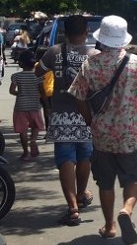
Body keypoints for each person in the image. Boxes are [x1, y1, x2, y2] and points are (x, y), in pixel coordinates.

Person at [70, 15, 137, 243]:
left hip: (101, 135)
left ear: (102, 38)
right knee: (133, 177)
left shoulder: (90, 64)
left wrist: (89, 120)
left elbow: (78, 96)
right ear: (123, 39)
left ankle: (109, 226)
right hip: (129, 134)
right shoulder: (136, 63)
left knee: (105, 182)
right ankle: (126, 210)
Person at [35, 15, 99, 226]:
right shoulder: (93, 55)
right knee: (85, 157)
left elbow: (38, 71)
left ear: (65, 32)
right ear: (87, 32)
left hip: (61, 114)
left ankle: (72, 209)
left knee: (65, 160)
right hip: (86, 114)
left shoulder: (54, 52)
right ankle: (81, 194)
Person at [10, 49, 45, 161]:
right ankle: (33, 140)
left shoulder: (16, 76)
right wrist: (46, 103)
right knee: (36, 126)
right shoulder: (38, 76)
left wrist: (20, 93)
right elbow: (42, 91)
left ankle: (25, 153)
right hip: (35, 105)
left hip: (20, 106)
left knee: (22, 130)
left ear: (21, 63)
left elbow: (12, 90)